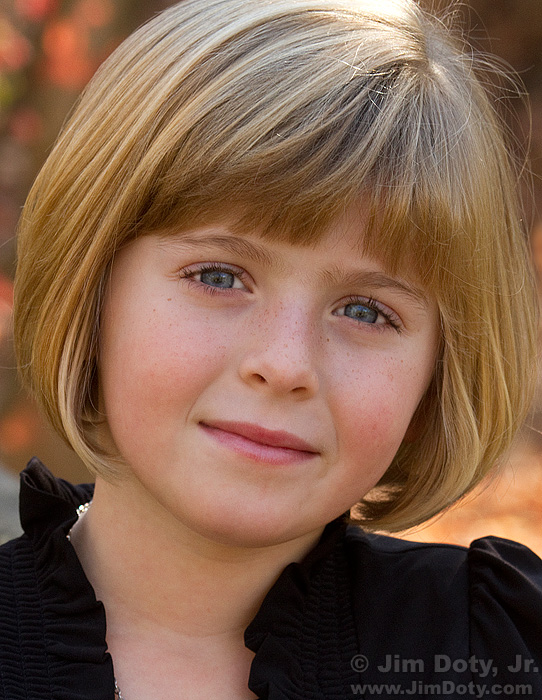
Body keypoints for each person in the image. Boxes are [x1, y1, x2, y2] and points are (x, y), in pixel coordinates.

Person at [2, 0, 541, 697]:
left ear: (438, 370)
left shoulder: (497, 657)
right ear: (92, 281)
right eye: (219, 277)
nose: (285, 366)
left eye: (366, 311)